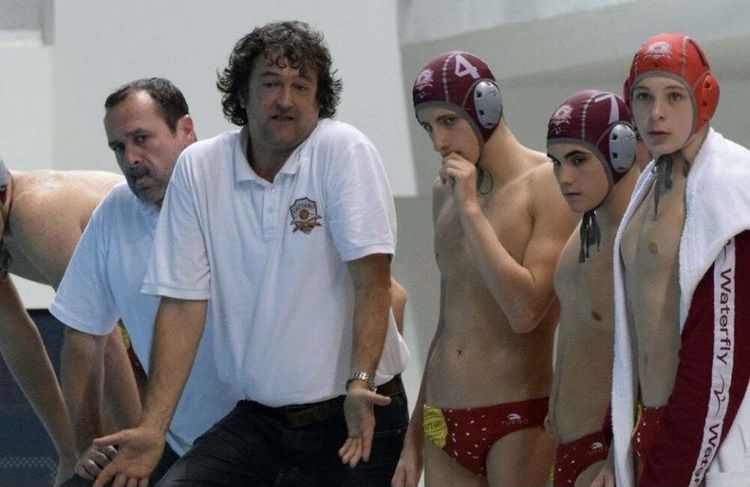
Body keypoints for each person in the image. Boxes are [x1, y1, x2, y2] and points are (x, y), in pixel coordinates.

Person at [90, 20, 410, 487]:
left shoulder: (343, 151)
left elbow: (374, 282)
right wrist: (153, 428)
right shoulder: (200, 169)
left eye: (301, 86)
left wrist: (360, 382)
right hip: (260, 420)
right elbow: (181, 304)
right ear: (241, 93)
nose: (286, 99)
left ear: (319, 98)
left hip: (357, 412)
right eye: (271, 84)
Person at [392, 51, 576, 487]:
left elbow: (526, 312)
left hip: (517, 417)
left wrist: (472, 211)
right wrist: (413, 439)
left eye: (448, 122)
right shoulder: (446, 193)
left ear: (486, 108)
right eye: (428, 127)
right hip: (442, 417)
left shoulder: (546, 184)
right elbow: (448, 322)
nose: (439, 142)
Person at [49, 78, 242, 487]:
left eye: (141, 139)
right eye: (118, 147)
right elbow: (83, 334)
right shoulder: (115, 211)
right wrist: (87, 445)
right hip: (173, 440)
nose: (131, 158)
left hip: (258, 439)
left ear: (185, 130)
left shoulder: (240, 196)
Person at [608, 32, 750, 487]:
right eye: (643, 97)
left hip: (707, 439)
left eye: (673, 96)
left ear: (704, 99)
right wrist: (617, 448)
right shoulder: (650, 180)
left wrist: (668, 472)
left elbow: (720, 359)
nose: (656, 113)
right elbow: (632, 337)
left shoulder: (732, 188)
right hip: (649, 431)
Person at [0, 155, 135, 485]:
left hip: (197, 292)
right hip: (137, 310)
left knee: (127, 449)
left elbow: (100, 333)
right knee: (97, 455)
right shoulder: (6, 222)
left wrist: (140, 452)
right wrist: (69, 451)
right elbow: (17, 342)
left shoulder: (34, 211)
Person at [544, 90, 640, 487]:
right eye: (556, 162)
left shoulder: (641, 243)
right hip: (564, 448)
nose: (564, 178)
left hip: (609, 455)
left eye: (578, 160)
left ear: (620, 152)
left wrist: (620, 455)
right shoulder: (585, 228)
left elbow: (665, 367)